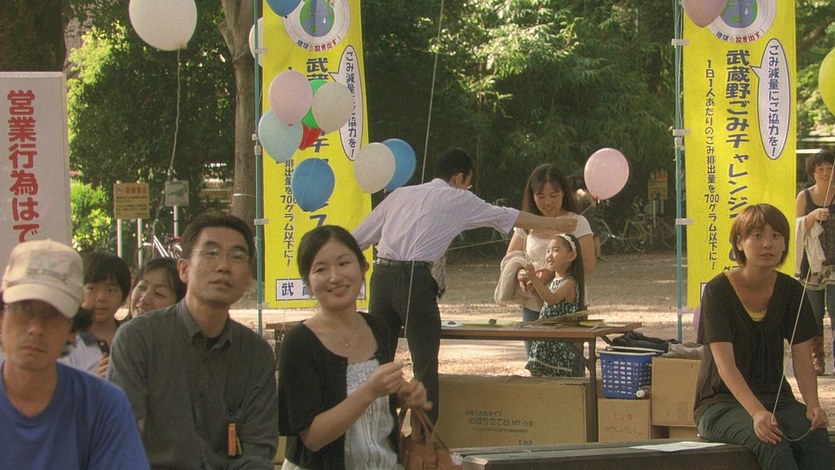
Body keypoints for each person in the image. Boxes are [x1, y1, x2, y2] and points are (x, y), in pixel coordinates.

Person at [353, 148, 578, 423]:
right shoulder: (459, 198)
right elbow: (509, 216)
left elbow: (357, 239)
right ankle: (423, 438)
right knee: (424, 367)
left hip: (381, 277)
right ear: (459, 178)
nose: (467, 189)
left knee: (380, 364)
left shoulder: (400, 194)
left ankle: (381, 433)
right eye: (468, 183)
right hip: (416, 280)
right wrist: (554, 223)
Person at [108, 213, 278, 468]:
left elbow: (258, 447)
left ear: (247, 278)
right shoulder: (138, 339)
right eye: (211, 253)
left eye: (236, 256)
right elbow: (121, 437)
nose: (223, 266)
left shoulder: (256, 354)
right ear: (184, 270)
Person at [278, 225, 431, 469]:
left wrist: (402, 394)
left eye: (343, 263)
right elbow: (313, 438)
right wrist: (369, 392)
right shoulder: (299, 343)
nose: (335, 277)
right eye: (320, 269)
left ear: (363, 267)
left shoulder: (378, 327)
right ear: (308, 282)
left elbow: (378, 409)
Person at [694, 203, 831, 470]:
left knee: (814, 436)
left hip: (777, 400)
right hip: (720, 404)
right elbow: (725, 366)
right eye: (757, 235)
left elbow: (803, 358)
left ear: (785, 244)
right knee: (771, 441)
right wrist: (757, 412)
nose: (767, 243)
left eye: (776, 236)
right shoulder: (718, 290)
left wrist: (813, 405)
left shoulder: (792, 290)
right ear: (739, 242)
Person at [0, 240, 149, 469]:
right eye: (23, 309)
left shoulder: (104, 406)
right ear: (2, 318)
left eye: (53, 315)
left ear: (72, 329)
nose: (35, 328)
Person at [507, 164, 595, 359]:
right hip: (533, 306)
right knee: (536, 363)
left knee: (569, 365)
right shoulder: (527, 224)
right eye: (540, 196)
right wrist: (521, 273)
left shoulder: (576, 222)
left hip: (568, 310)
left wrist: (552, 273)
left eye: (553, 196)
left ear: (564, 192)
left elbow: (589, 264)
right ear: (532, 196)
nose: (547, 202)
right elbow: (511, 258)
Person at [795, 149, 835, 375]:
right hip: (812, 263)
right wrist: (812, 217)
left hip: (834, 262)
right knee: (814, 312)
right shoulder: (805, 197)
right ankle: (818, 360)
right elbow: (797, 227)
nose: (826, 173)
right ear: (813, 172)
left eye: (830, 168)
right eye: (821, 169)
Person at [60, 251, 131, 378]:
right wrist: (96, 383)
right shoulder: (67, 342)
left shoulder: (132, 338)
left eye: (111, 290)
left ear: (124, 298)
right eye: (92, 289)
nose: (101, 298)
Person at [523, 233, 586, 376]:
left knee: (558, 380)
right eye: (548, 250)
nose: (549, 255)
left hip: (560, 344)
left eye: (556, 250)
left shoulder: (569, 282)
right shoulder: (555, 281)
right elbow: (546, 308)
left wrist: (536, 280)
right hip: (548, 341)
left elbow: (552, 299)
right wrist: (534, 293)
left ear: (571, 256)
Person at [569, 174, 603, 260]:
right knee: (595, 235)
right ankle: (598, 255)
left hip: (578, 215)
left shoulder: (572, 194)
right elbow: (593, 205)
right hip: (587, 216)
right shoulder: (586, 193)